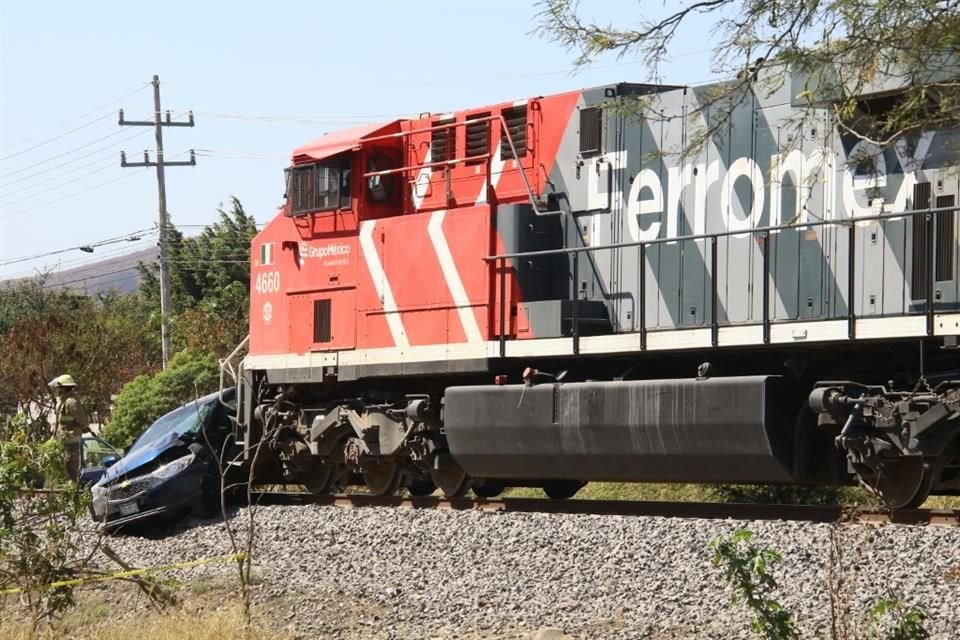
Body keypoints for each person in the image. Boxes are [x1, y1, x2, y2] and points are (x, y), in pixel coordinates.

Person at [48, 374, 89, 482]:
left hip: (72, 441)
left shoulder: (72, 402)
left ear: (64, 387)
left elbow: (82, 420)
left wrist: (84, 427)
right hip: (63, 440)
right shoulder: (61, 401)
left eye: (59, 388)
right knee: (65, 467)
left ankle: (75, 491)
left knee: (72, 468)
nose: (57, 390)